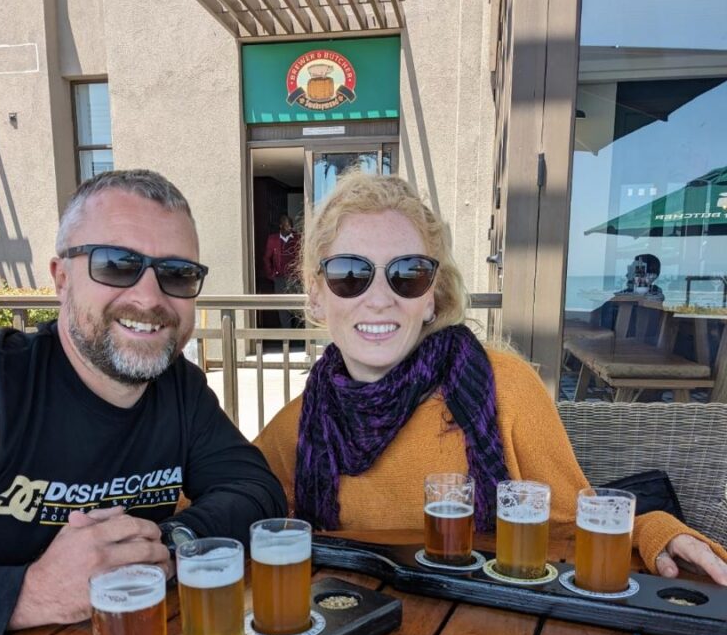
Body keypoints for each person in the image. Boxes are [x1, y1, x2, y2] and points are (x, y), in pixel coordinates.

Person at [256, 171, 727, 586]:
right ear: (316, 298)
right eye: (350, 273)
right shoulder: (296, 429)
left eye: (408, 274)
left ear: (432, 300)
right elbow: (225, 511)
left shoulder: (503, 388)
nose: (379, 299)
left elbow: (571, 525)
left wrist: (652, 531)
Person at [0, 169, 286, 635]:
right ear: (61, 278)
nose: (149, 297)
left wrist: (165, 544)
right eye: (116, 264)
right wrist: (30, 593)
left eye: (177, 273)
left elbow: (256, 491)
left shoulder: (181, 391)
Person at [263, 213, 300, 329]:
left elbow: (303, 257)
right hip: (280, 278)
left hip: (294, 278)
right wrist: (271, 274)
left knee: (297, 306)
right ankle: (287, 337)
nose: (290, 229)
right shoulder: (273, 239)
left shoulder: (297, 238)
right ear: (280, 226)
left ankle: (299, 337)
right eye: (287, 226)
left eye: (291, 226)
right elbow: (266, 258)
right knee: (282, 307)